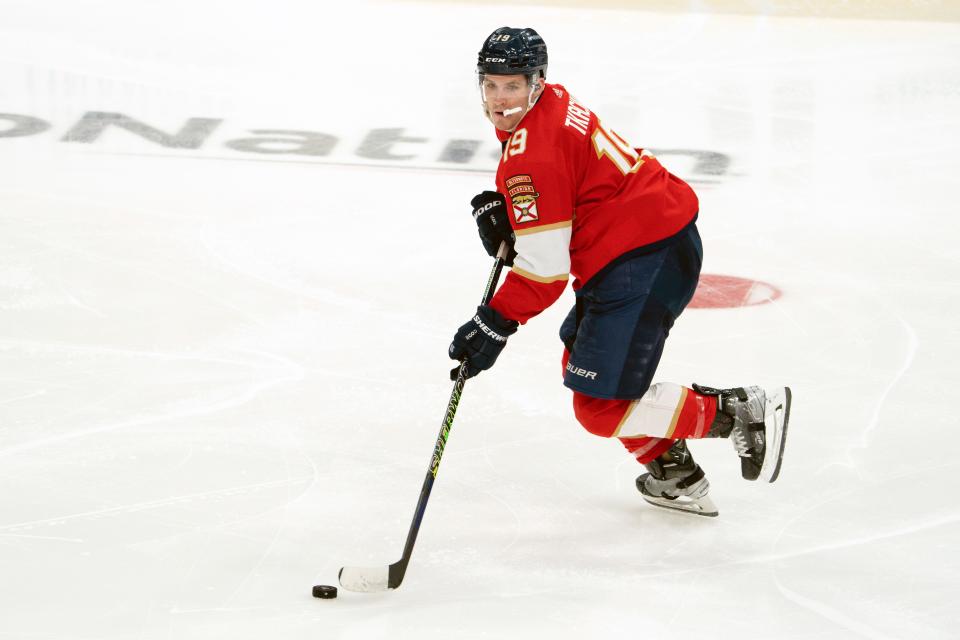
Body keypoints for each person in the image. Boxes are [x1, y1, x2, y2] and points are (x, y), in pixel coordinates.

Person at [448, 26, 792, 517]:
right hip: (644, 244)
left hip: (641, 257)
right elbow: (570, 185)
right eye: (491, 84)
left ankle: (738, 411)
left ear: (538, 82)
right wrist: (515, 216)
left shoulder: (530, 157)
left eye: (513, 85)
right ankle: (674, 472)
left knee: (600, 405)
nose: (501, 98)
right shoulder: (556, 105)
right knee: (583, 365)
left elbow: (546, 272)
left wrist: (493, 323)